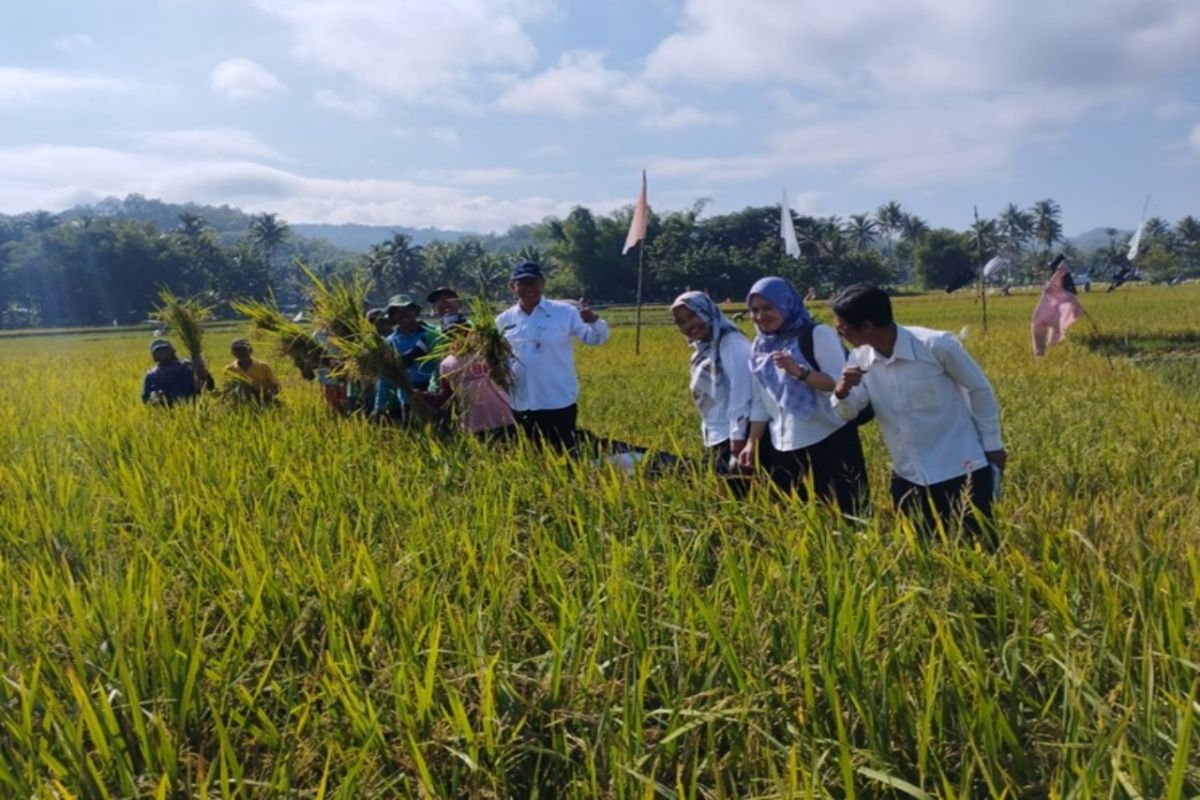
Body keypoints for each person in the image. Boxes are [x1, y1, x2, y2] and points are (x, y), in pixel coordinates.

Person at [829, 284, 1006, 537]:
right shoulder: (859, 359)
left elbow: (979, 390)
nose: (840, 335)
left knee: (977, 549)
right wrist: (842, 390)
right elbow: (847, 413)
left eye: (842, 329)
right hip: (908, 473)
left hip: (960, 469)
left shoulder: (935, 346)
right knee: (921, 553)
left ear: (866, 326)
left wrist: (993, 445)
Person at [736, 277, 868, 512]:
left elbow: (840, 385)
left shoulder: (817, 334)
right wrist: (751, 443)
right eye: (754, 310)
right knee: (799, 519)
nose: (760, 316)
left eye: (768, 308)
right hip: (784, 445)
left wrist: (799, 372)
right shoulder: (759, 346)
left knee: (847, 515)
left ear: (786, 304)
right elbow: (761, 399)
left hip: (829, 439)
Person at [496, 260, 608, 448]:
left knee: (565, 453)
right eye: (522, 283)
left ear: (543, 284)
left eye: (533, 282)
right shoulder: (503, 320)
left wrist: (593, 321)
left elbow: (595, 339)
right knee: (533, 456)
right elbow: (500, 359)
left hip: (557, 400)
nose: (529, 288)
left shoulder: (564, 312)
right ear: (512, 286)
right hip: (521, 401)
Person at [670, 291, 753, 492]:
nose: (688, 325)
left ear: (707, 311)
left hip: (734, 438)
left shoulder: (731, 343)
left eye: (692, 316)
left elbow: (743, 394)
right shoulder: (705, 347)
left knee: (736, 499)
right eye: (681, 322)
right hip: (716, 436)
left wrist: (738, 440)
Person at [418, 313, 518, 441]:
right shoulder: (446, 365)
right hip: (472, 424)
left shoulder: (487, 353)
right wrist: (423, 396)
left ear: (469, 331)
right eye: (451, 333)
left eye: (461, 331)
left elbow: (507, 378)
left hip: (503, 418)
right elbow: (446, 398)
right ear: (445, 336)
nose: (458, 336)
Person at [373, 294, 439, 422]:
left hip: (434, 395)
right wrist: (379, 407)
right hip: (407, 397)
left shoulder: (433, 333)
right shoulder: (390, 342)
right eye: (397, 312)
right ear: (392, 317)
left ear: (415, 311)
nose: (403, 314)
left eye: (407, 310)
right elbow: (386, 376)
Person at [141, 338, 212, 405]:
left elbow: (210, 386)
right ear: (154, 354)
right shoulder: (151, 375)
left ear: (172, 350)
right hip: (166, 414)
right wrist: (154, 397)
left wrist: (201, 368)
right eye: (158, 350)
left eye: (165, 349)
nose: (162, 352)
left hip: (194, 410)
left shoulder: (188, 366)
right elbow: (146, 399)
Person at [224, 338, 281, 403]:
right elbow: (227, 390)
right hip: (240, 403)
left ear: (250, 350)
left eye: (243, 350)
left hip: (263, 400)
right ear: (232, 353)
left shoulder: (263, 366)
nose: (240, 353)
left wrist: (270, 393)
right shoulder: (229, 370)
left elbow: (276, 386)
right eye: (236, 350)